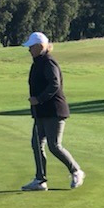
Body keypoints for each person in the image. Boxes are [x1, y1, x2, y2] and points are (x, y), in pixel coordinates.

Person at [21, 32, 85, 191]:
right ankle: (40, 180)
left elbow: (54, 85)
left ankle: (76, 171)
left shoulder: (49, 62)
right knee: (36, 144)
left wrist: (40, 99)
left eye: (31, 47)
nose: (29, 50)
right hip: (41, 112)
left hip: (54, 110)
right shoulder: (38, 62)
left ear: (40, 46)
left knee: (54, 145)